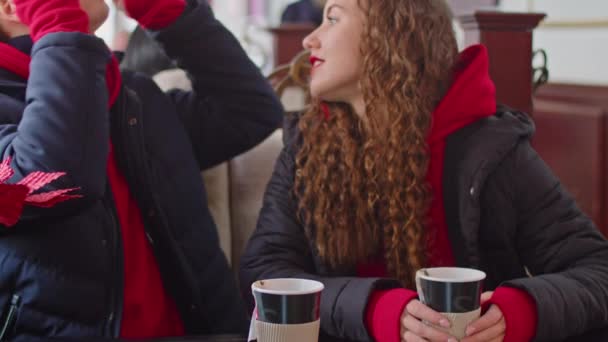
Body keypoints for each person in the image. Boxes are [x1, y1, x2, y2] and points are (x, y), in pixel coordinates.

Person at [239, 0, 608, 341]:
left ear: (388, 36)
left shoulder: (492, 149)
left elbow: (597, 270)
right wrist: (372, 309)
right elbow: (266, 271)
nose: (309, 39)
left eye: (333, 18)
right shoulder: (306, 147)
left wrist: (522, 311)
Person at [0, 0, 283, 340]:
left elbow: (251, 112)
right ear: (11, 7)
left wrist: (165, 11)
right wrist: (57, 20)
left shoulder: (131, 95)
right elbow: (57, 182)